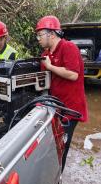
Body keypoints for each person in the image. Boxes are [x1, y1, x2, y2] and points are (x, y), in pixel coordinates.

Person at [35, 15, 88, 171]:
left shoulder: (68, 47)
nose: (38, 38)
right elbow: (44, 80)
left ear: (51, 34)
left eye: (40, 34)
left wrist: (50, 67)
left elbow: (73, 74)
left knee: (61, 147)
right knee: (51, 144)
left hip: (70, 109)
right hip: (54, 106)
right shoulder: (45, 54)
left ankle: (57, 182)